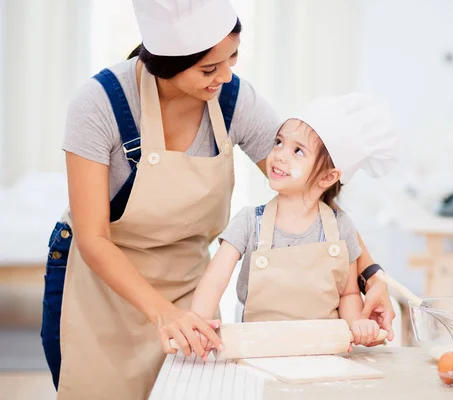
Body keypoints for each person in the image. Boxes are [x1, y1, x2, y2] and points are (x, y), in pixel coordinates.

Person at [39, 0, 396, 398]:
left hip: (188, 286)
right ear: (166, 64)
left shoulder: (232, 100)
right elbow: (93, 239)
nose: (225, 76)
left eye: (233, 57)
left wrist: (372, 274)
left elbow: (312, 193)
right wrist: (162, 313)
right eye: (209, 68)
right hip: (99, 287)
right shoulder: (100, 104)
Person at [190, 93, 398, 356]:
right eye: (278, 142)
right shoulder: (249, 222)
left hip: (324, 356)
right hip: (259, 353)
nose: (279, 155)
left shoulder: (340, 228)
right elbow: (214, 280)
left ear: (328, 177)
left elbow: (348, 294)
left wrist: (358, 325)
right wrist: (198, 322)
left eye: (298, 150)